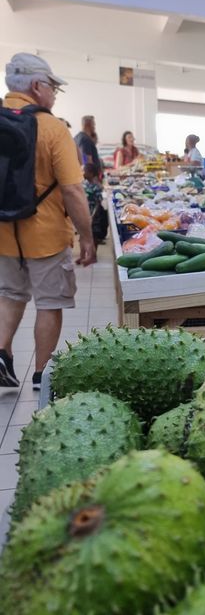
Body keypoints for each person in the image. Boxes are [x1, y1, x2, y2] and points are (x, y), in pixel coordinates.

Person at [0, 53, 96, 390]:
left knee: (10, 294)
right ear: (37, 86)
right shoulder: (54, 128)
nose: (54, 93)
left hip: (3, 233)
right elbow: (72, 190)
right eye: (53, 86)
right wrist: (87, 236)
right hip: (46, 233)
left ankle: (1, 353)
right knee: (50, 302)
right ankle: (42, 374)